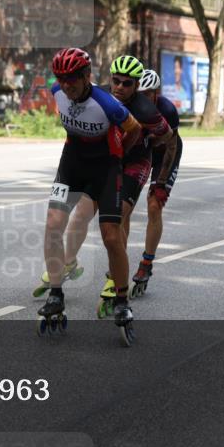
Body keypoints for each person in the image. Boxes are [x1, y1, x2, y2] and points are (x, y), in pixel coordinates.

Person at [37, 47, 143, 345]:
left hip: (106, 168)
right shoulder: (57, 90)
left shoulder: (107, 103)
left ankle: (122, 300)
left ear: (87, 76)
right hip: (71, 163)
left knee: (111, 235)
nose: (67, 85)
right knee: (53, 225)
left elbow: (133, 129)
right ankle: (56, 294)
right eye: (62, 79)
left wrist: (119, 154)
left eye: (73, 79)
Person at [61, 56, 172, 313]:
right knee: (81, 214)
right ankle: (68, 262)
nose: (120, 87)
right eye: (116, 81)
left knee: (119, 216)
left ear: (135, 86)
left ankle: (114, 277)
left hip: (136, 162)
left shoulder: (145, 110)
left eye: (127, 83)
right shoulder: (100, 96)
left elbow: (166, 135)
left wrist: (148, 144)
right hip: (110, 160)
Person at [132, 69, 182, 294]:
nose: (144, 98)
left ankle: (146, 263)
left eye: (148, 94)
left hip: (166, 154)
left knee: (154, 205)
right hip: (143, 151)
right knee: (124, 205)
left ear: (156, 93)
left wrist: (161, 183)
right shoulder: (129, 105)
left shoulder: (167, 110)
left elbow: (171, 146)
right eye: (140, 93)